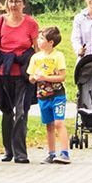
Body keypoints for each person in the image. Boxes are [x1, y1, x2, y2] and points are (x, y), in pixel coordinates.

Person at [0, 0, 40, 163]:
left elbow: (38, 49)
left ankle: (20, 153)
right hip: (3, 73)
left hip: (24, 74)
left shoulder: (31, 23)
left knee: (22, 111)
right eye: (11, 0)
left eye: (17, 0)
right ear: (6, 3)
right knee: (7, 112)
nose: (14, 4)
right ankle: (8, 150)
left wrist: (40, 69)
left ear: (24, 3)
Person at [28, 25, 71, 164]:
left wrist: (45, 78)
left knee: (59, 122)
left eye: (41, 38)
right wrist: (35, 78)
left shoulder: (58, 56)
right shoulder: (35, 57)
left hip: (57, 95)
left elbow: (62, 77)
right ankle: (51, 153)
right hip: (42, 95)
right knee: (49, 124)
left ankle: (64, 152)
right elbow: (30, 77)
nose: (38, 41)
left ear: (51, 42)